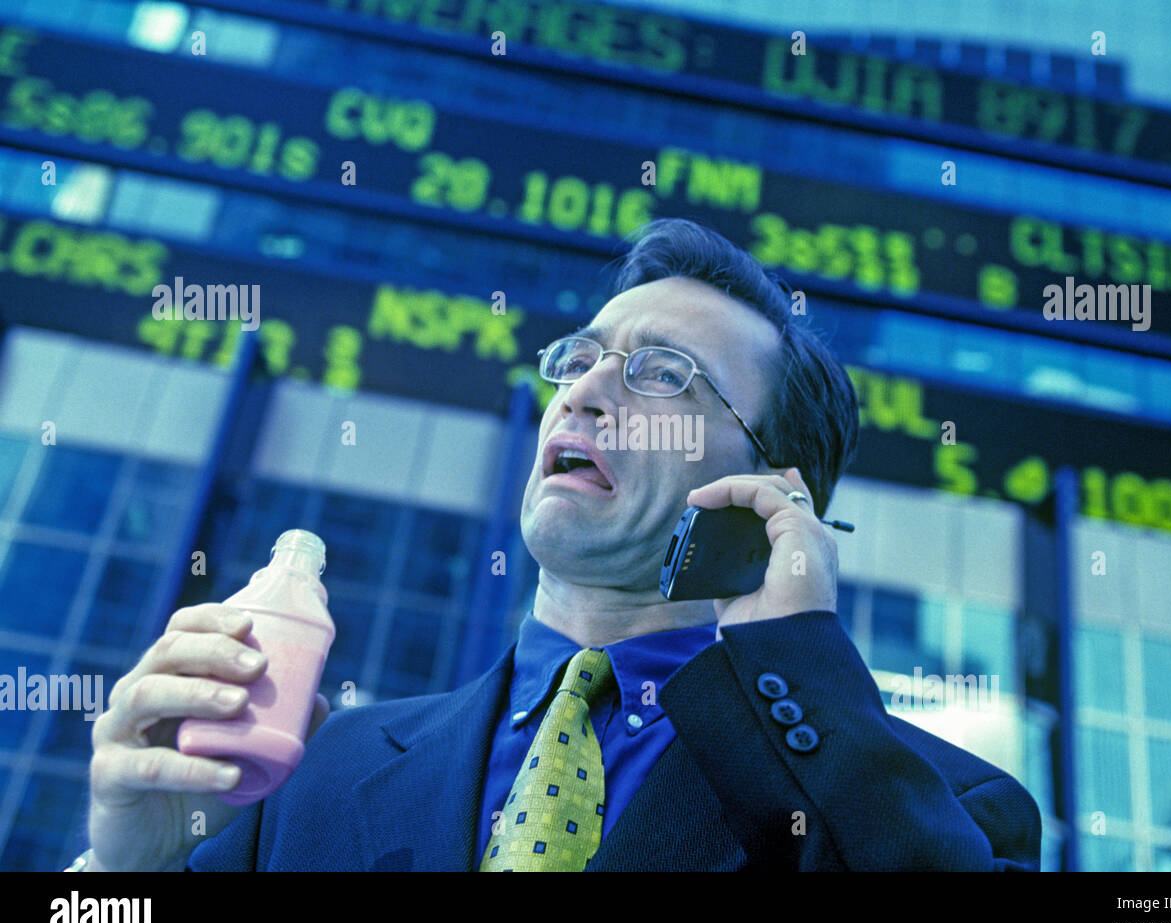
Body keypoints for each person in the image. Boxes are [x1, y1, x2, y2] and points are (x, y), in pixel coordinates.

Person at [74, 218, 1041, 872]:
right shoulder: (314, 775)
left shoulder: (938, 807)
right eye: (578, 360)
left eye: (663, 375)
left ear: (771, 494)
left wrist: (800, 663)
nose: (583, 391)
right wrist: (130, 868)